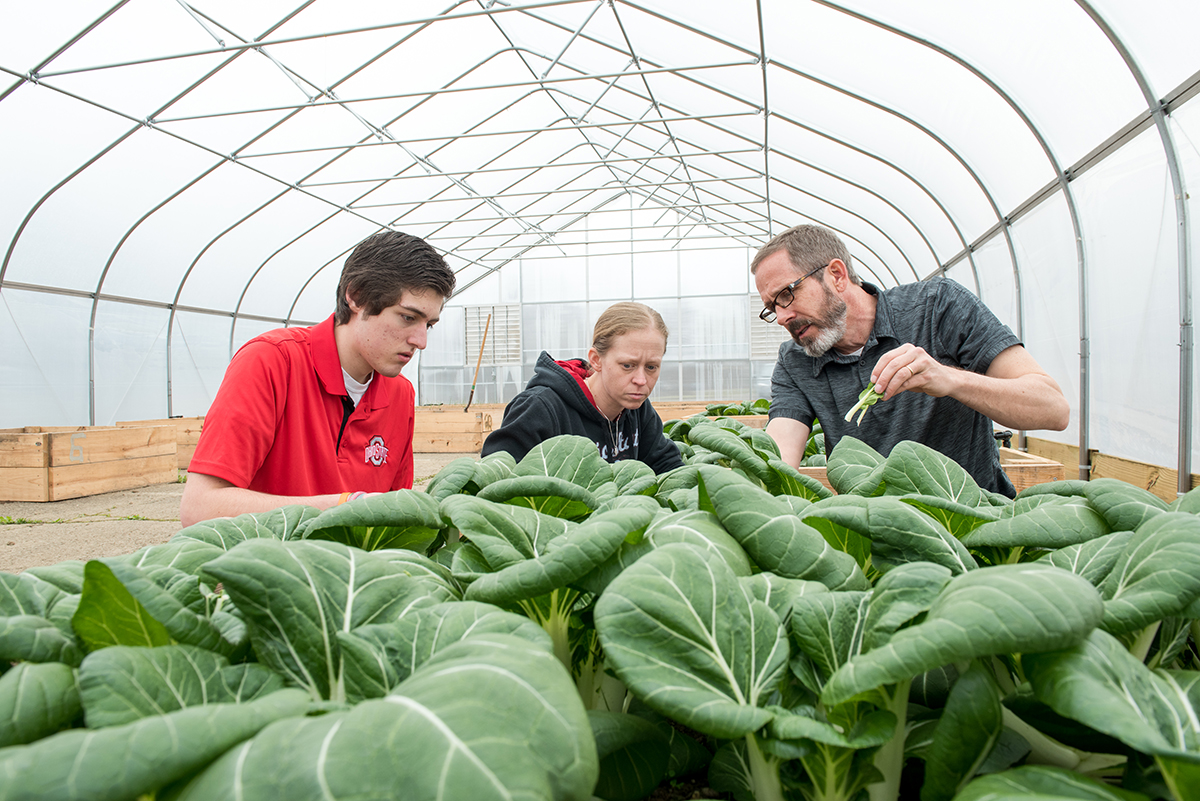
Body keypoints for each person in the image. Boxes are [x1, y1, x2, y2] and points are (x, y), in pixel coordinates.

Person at [753, 224, 1069, 497]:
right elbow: (781, 451)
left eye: (786, 294)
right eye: (771, 307)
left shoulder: (937, 308)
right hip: (878, 538)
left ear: (836, 275)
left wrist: (950, 380)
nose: (782, 317)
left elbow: (1053, 409)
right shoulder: (795, 360)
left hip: (976, 530)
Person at [179, 230, 456, 527]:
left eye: (430, 324)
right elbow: (200, 509)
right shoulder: (271, 362)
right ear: (357, 296)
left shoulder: (400, 394)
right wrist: (346, 506)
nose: (421, 340)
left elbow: (394, 517)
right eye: (407, 317)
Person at [481, 301, 684, 475]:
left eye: (651, 367)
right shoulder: (540, 409)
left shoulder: (638, 410)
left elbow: (667, 465)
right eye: (628, 365)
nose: (641, 380)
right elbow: (497, 476)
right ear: (596, 360)